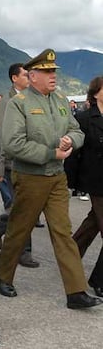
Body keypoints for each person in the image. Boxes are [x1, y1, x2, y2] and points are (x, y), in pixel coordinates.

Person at [0, 48, 102, 310]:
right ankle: (3, 275)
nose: (53, 75)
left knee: (62, 233)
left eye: (54, 71)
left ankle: (75, 291)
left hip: (56, 177)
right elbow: (12, 144)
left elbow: (77, 130)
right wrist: (50, 152)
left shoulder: (61, 100)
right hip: (30, 177)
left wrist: (70, 141)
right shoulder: (18, 104)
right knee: (19, 230)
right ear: (32, 77)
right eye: (47, 72)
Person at [0, 63, 40, 267]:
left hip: (31, 161)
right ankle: (24, 251)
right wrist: (0, 166)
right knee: (24, 207)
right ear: (14, 78)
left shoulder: (33, 98)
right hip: (14, 164)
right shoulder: (8, 101)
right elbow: (0, 135)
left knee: (22, 207)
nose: (29, 77)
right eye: (25, 75)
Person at [65, 76, 103, 298]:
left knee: (92, 224)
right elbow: (75, 154)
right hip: (96, 180)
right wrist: (71, 182)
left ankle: (69, 259)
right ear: (96, 92)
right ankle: (99, 281)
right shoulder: (85, 118)